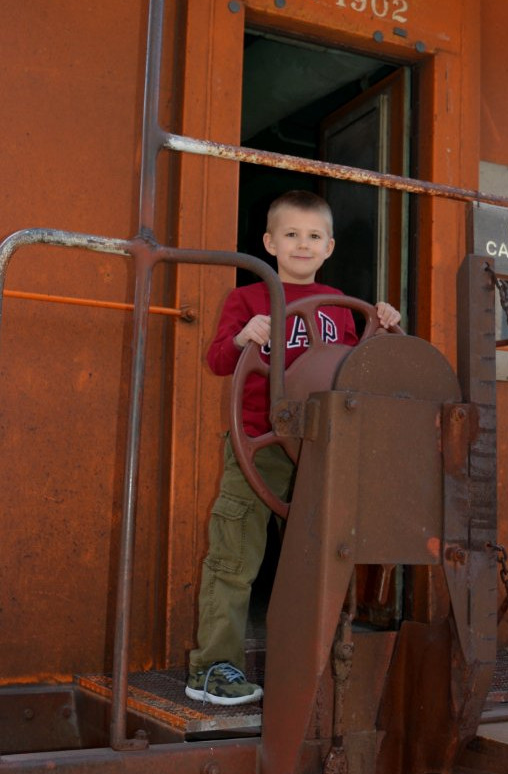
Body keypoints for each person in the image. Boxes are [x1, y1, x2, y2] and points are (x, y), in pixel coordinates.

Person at [186, 190, 401, 705]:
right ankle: (214, 669)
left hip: (320, 450)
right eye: (290, 235)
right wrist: (244, 337)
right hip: (256, 446)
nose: (301, 246)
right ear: (269, 243)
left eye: (312, 237)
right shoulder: (247, 299)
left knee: (316, 560)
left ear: (328, 246)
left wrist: (383, 329)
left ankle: (307, 665)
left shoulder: (340, 307)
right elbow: (217, 360)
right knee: (234, 556)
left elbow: (355, 377)